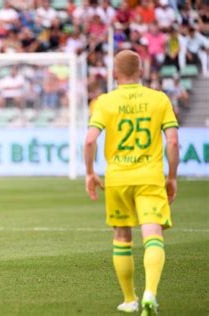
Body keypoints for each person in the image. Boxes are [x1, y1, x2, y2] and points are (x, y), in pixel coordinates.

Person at [84, 50, 179, 315]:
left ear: (115, 73)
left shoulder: (104, 101)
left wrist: (90, 173)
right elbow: (172, 141)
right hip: (150, 177)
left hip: (117, 179)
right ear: (141, 71)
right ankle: (151, 292)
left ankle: (129, 299)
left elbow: (90, 139)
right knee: (153, 237)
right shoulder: (159, 99)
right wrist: (172, 176)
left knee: (122, 237)